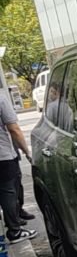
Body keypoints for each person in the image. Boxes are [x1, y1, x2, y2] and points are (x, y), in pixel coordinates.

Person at [0, 91, 36, 244]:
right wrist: (27, 152)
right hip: (3, 157)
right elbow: (14, 129)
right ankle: (15, 231)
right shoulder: (1, 99)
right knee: (8, 193)